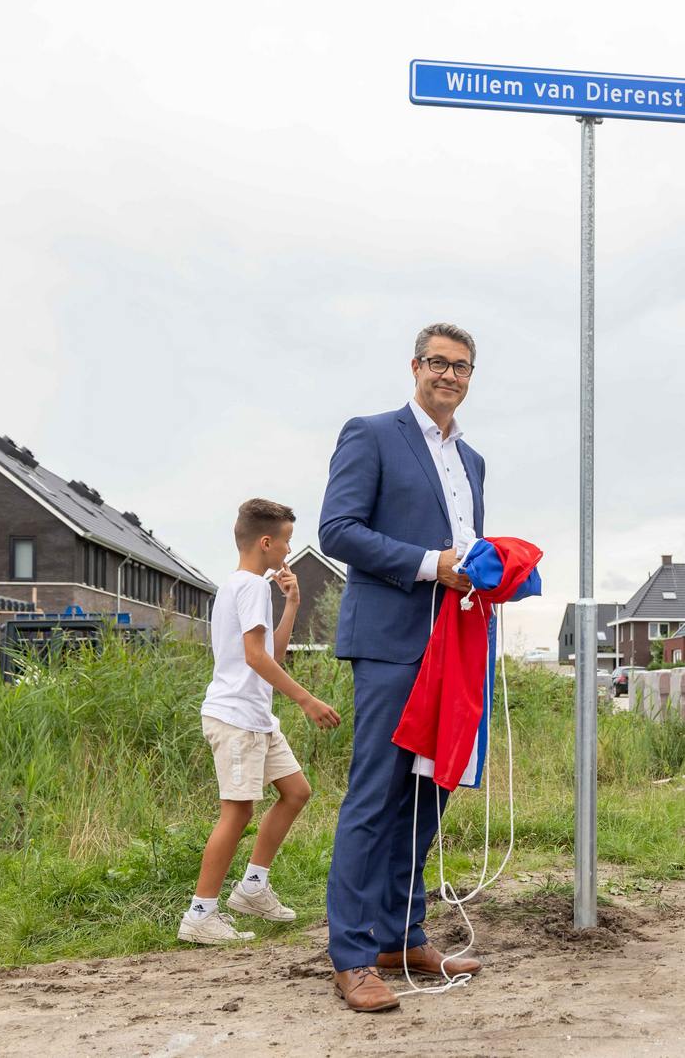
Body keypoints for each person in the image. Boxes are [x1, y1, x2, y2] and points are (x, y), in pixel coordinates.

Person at [319, 323, 488, 1012]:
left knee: (428, 794)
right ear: (415, 366)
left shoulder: (473, 458)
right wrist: (431, 566)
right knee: (376, 796)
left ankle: (400, 934)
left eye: (462, 367)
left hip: (456, 642)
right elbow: (337, 529)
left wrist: (486, 571)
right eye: (439, 363)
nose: (449, 375)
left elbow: (464, 546)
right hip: (391, 643)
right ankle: (352, 956)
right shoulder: (371, 433)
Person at [179, 499, 342, 946]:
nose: (288, 552)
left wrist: (291, 603)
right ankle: (200, 914)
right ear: (266, 543)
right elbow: (254, 658)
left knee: (296, 792)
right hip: (236, 718)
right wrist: (307, 700)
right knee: (238, 812)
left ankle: (251, 888)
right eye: (286, 542)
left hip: (257, 718)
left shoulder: (246, 586)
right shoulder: (249, 586)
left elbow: (271, 655)